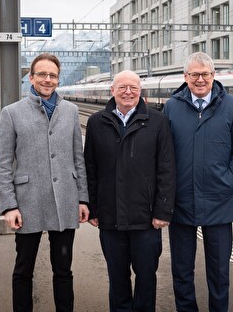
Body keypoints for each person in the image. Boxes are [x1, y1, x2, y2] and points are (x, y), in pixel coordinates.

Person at [0, 53, 89, 312]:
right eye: (42, 74)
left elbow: (77, 157)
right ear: (31, 77)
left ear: (58, 79)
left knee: (63, 269)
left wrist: (83, 198)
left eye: (53, 75)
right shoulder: (11, 113)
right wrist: (8, 205)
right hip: (28, 203)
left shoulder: (70, 111)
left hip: (65, 199)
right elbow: (3, 163)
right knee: (23, 269)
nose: (48, 80)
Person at [163, 52, 233, 312]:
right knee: (181, 270)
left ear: (214, 76)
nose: (200, 80)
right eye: (194, 75)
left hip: (219, 201)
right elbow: (164, 153)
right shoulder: (172, 107)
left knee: (220, 271)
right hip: (181, 200)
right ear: (185, 77)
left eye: (205, 74)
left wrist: (228, 182)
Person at [84, 70, 176, 312]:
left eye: (133, 88)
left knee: (147, 278)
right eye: (122, 87)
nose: (128, 92)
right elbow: (90, 170)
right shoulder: (96, 123)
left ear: (140, 91)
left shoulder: (158, 122)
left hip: (146, 219)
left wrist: (163, 211)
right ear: (112, 91)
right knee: (117, 279)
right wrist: (93, 208)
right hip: (110, 217)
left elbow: (166, 169)